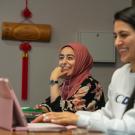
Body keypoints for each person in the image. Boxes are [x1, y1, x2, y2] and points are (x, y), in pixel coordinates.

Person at [32, 6, 135, 134]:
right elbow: (107, 114)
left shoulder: (90, 85)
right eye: (115, 36)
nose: (117, 43)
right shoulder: (119, 75)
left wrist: (76, 118)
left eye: (124, 35)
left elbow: (130, 127)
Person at [35, 42, 105, 113]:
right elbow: (51, 104)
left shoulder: (91, 85)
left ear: (81, 61)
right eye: (61, 58)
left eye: (70, 58)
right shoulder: (65, 85)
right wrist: (43, 108)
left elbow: (60, 110)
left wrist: (53, 78)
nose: (63, 62)